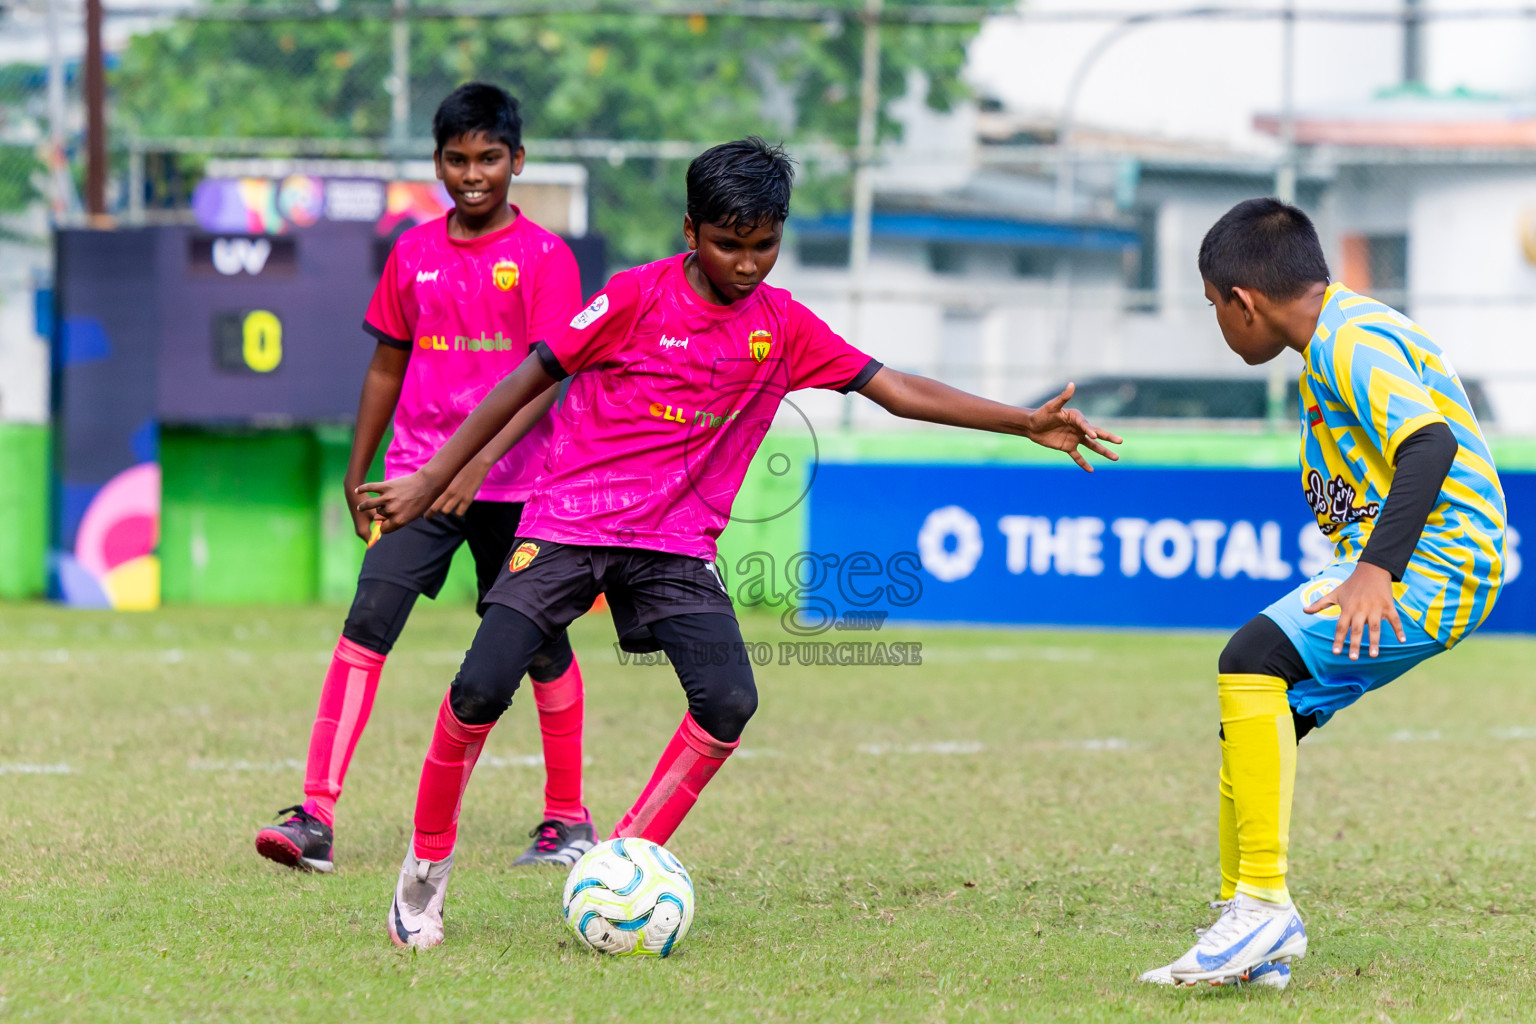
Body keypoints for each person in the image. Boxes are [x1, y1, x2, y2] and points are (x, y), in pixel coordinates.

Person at [358, 136, 1123, 949]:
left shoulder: (784, 326)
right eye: (729, 244)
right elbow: (525, 380)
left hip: (676, 546)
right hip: (570, 521)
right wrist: (434, 476)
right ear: (692, 231)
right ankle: (424, 876)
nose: (749, 263)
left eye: (765, 245)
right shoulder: (631, 299)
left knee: (728, 704)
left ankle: (622, 862)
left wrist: (1022, 419)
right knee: (480, 687)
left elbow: (896, 390)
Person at [1140, 198, 1506, 990]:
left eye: (1213, 308)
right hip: (1406, 562)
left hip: (1434, 565)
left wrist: (1375, 569)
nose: (1218, 324)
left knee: (1250, 660)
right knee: (1254, 719)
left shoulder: (1349, 339)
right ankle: (1254, 931)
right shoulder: (1337, 336)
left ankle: (1263, 907)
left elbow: (1429, 442)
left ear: (1244, 301)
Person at [254, 82, 597, 874]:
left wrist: (477, 464)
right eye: (456, 159)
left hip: (518, 485)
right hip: (416, 477)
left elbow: (549, 380)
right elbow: (385, 363)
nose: (473, 174)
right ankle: (314, 816)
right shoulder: (413, 251)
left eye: (489, 158)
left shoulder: (547, 258)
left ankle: (567, 821)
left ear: (518, 159)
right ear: (437, 162)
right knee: (368, 619)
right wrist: (357, 466)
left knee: (539, 642)